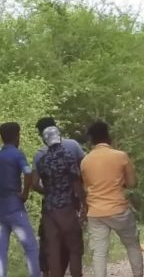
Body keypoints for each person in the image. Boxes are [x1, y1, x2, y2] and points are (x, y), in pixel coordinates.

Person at [80, 121, 143, 277]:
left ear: (91, 140)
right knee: (132, 244)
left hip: (95, 212)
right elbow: (132, 183)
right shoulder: (120, 156)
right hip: (118, 209)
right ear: (108, 136)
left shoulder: (85, 161)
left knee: (99, 252)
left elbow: (85, 188)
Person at [32, 117, 85, 277]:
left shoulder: (42, 159)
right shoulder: (69, 155)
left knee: (53, 250)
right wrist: (84, 203)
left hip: (49, 210)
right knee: (75, 246)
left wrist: (48, 192)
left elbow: (35, 184)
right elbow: (77, 183)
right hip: (67, 207)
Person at [0, 122, 42, 277]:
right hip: (15, 207)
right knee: (30, 247)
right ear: (17, 136)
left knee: (1, 250)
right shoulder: (17, 154)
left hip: (1, 208)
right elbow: (28, 172)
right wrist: (25, 193)